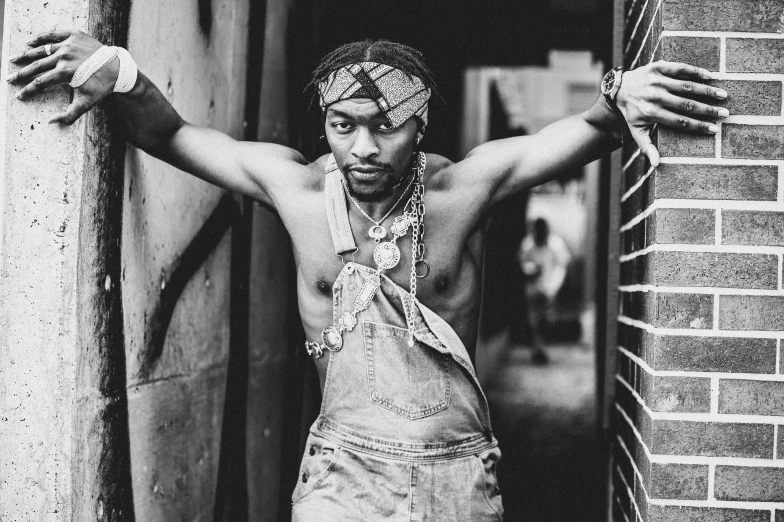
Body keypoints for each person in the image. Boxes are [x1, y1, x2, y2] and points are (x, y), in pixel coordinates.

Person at [7, 30, 729, 521]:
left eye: (386, 124)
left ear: (421, 123)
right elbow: (170, 134)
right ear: (323, 122)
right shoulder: (294, 189)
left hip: (457, 473)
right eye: (343, 124)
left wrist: (617, 95)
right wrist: (122, 73)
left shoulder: (461, 190)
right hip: (341, 475)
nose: (363, 146)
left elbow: (576, 136)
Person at [519, 218, 571, 364]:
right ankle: (538, 348)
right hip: (533, 288)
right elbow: (523, 263)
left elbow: (561, 268)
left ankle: (541, 346)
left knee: (547, 320)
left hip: (550, 288)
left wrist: (551, 289)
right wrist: (530, 270)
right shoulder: (528, 244)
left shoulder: (556, 244)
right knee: (534, 319)